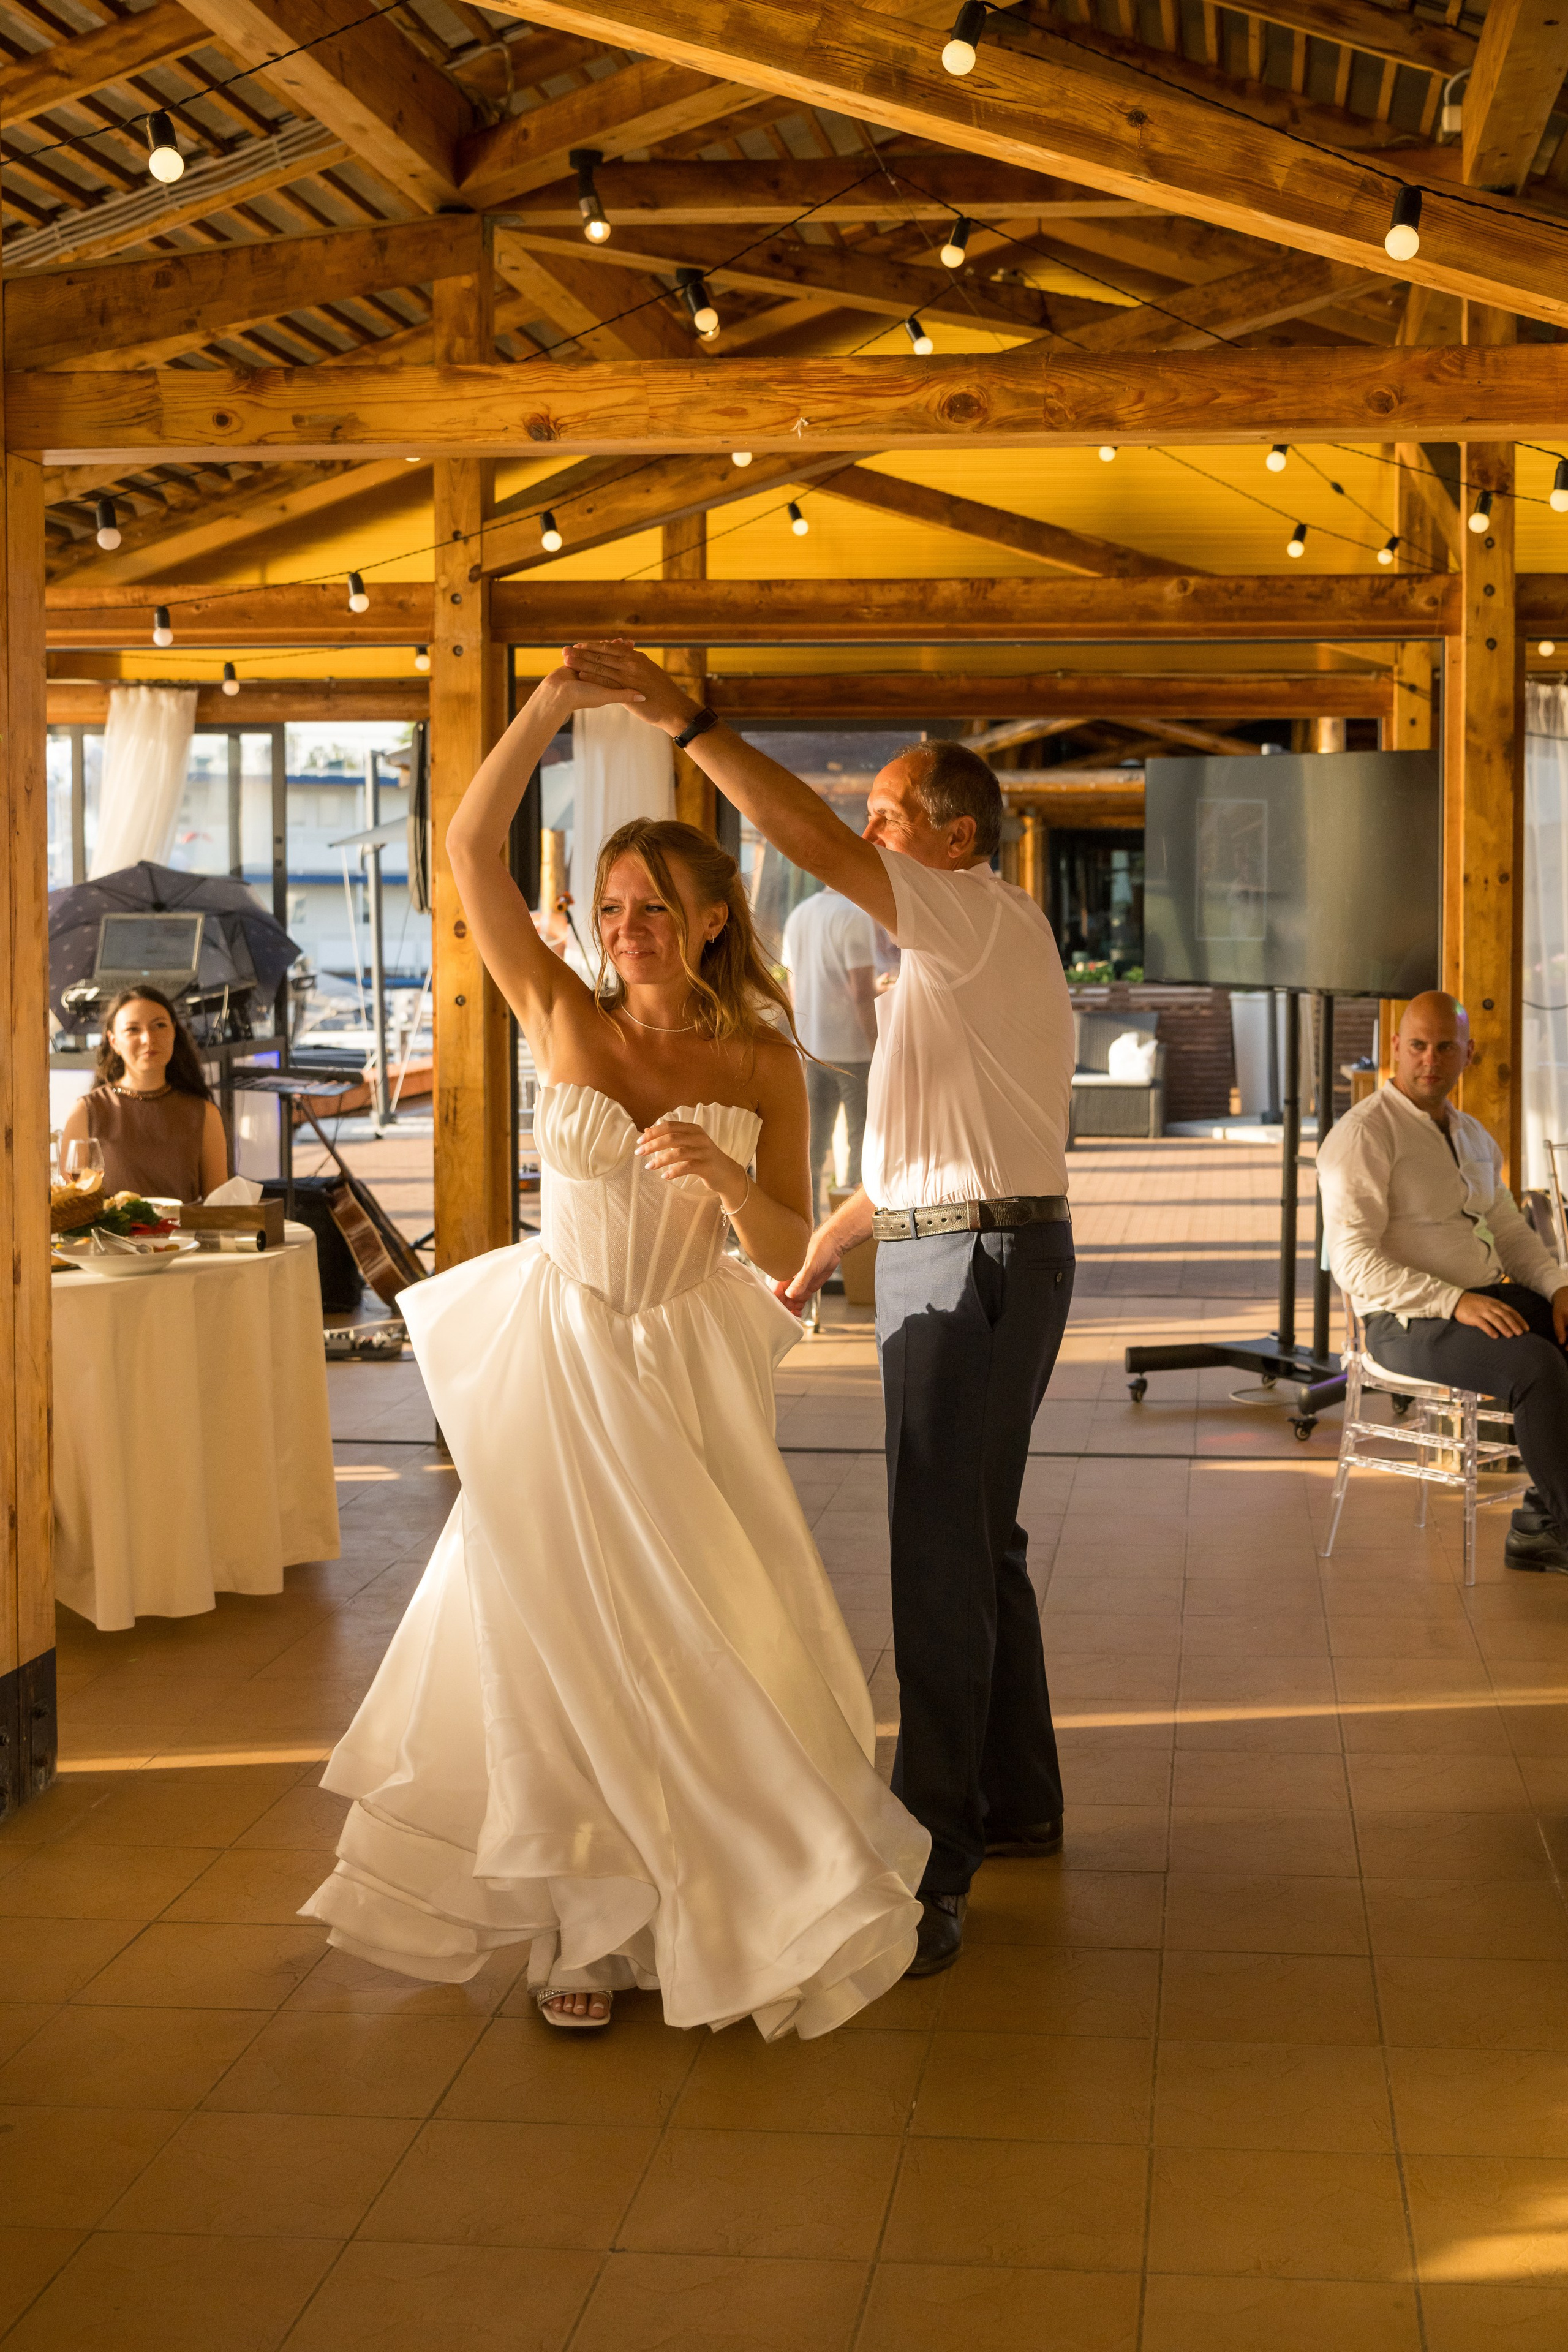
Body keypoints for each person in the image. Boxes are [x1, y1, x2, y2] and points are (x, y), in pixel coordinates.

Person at [302, 664, 927, 2038]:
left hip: (684, 1376)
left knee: (704, 1635)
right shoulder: (560, 1013)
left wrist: (723, 1179)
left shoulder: (765, 1063)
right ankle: (580, 1926)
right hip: (561, 1359)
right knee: (553, 1637)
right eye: (610, 907)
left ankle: (723, 1890)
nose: (629, 928)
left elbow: (795, 1255)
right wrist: (552, 709)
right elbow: (470, 850)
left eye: (657, 909)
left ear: (712, 921)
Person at [564, 641, 1076, 1980]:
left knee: (939, 1561)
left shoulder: (965, 915)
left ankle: (934, 1867)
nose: (867, 836)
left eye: (891, 818)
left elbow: (791, 827)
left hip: (970, 1267)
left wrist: (698, 727)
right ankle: (1016, 1801)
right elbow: (928, 1157)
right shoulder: (960, 960)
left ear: (952, 840)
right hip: (960, 1242)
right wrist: (824, 1244)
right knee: (982, 1541)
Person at [1317, 990, 1568, 1574]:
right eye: (1419, 1046)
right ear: (1397, 1050)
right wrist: (1453, 1301)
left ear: (1467, 1054)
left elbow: (1510, 1231)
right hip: (1403, 1322)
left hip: (1485, 1299)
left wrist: (1557, 1289)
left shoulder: (1474, 1134)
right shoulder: (1362, 1136)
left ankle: (1540, 1521)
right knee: (1535, 1367)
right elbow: (1353, 1262)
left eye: (1445, 1047)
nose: (1430, 1059)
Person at [61, 984, 228, 1201]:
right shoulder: (86, 1111)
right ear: (114, 1042)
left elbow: (219, 1209)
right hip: (109, 1236)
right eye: (133, 1029)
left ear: (174, 1032)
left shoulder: (204, 1113)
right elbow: (72, 1204)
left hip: (183, 1235)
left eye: (159, 1026)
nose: (149, 1039)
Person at [780, 884, 878, 1214]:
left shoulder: (798, 915)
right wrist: (877, 1044)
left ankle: (808, 1229)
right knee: (861, 1142)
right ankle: (851, 1243)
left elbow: (792, 987)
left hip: (810, 1046)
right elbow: (862, 992)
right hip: (854, 1050)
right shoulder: (855, 916)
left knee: (812, 1144)